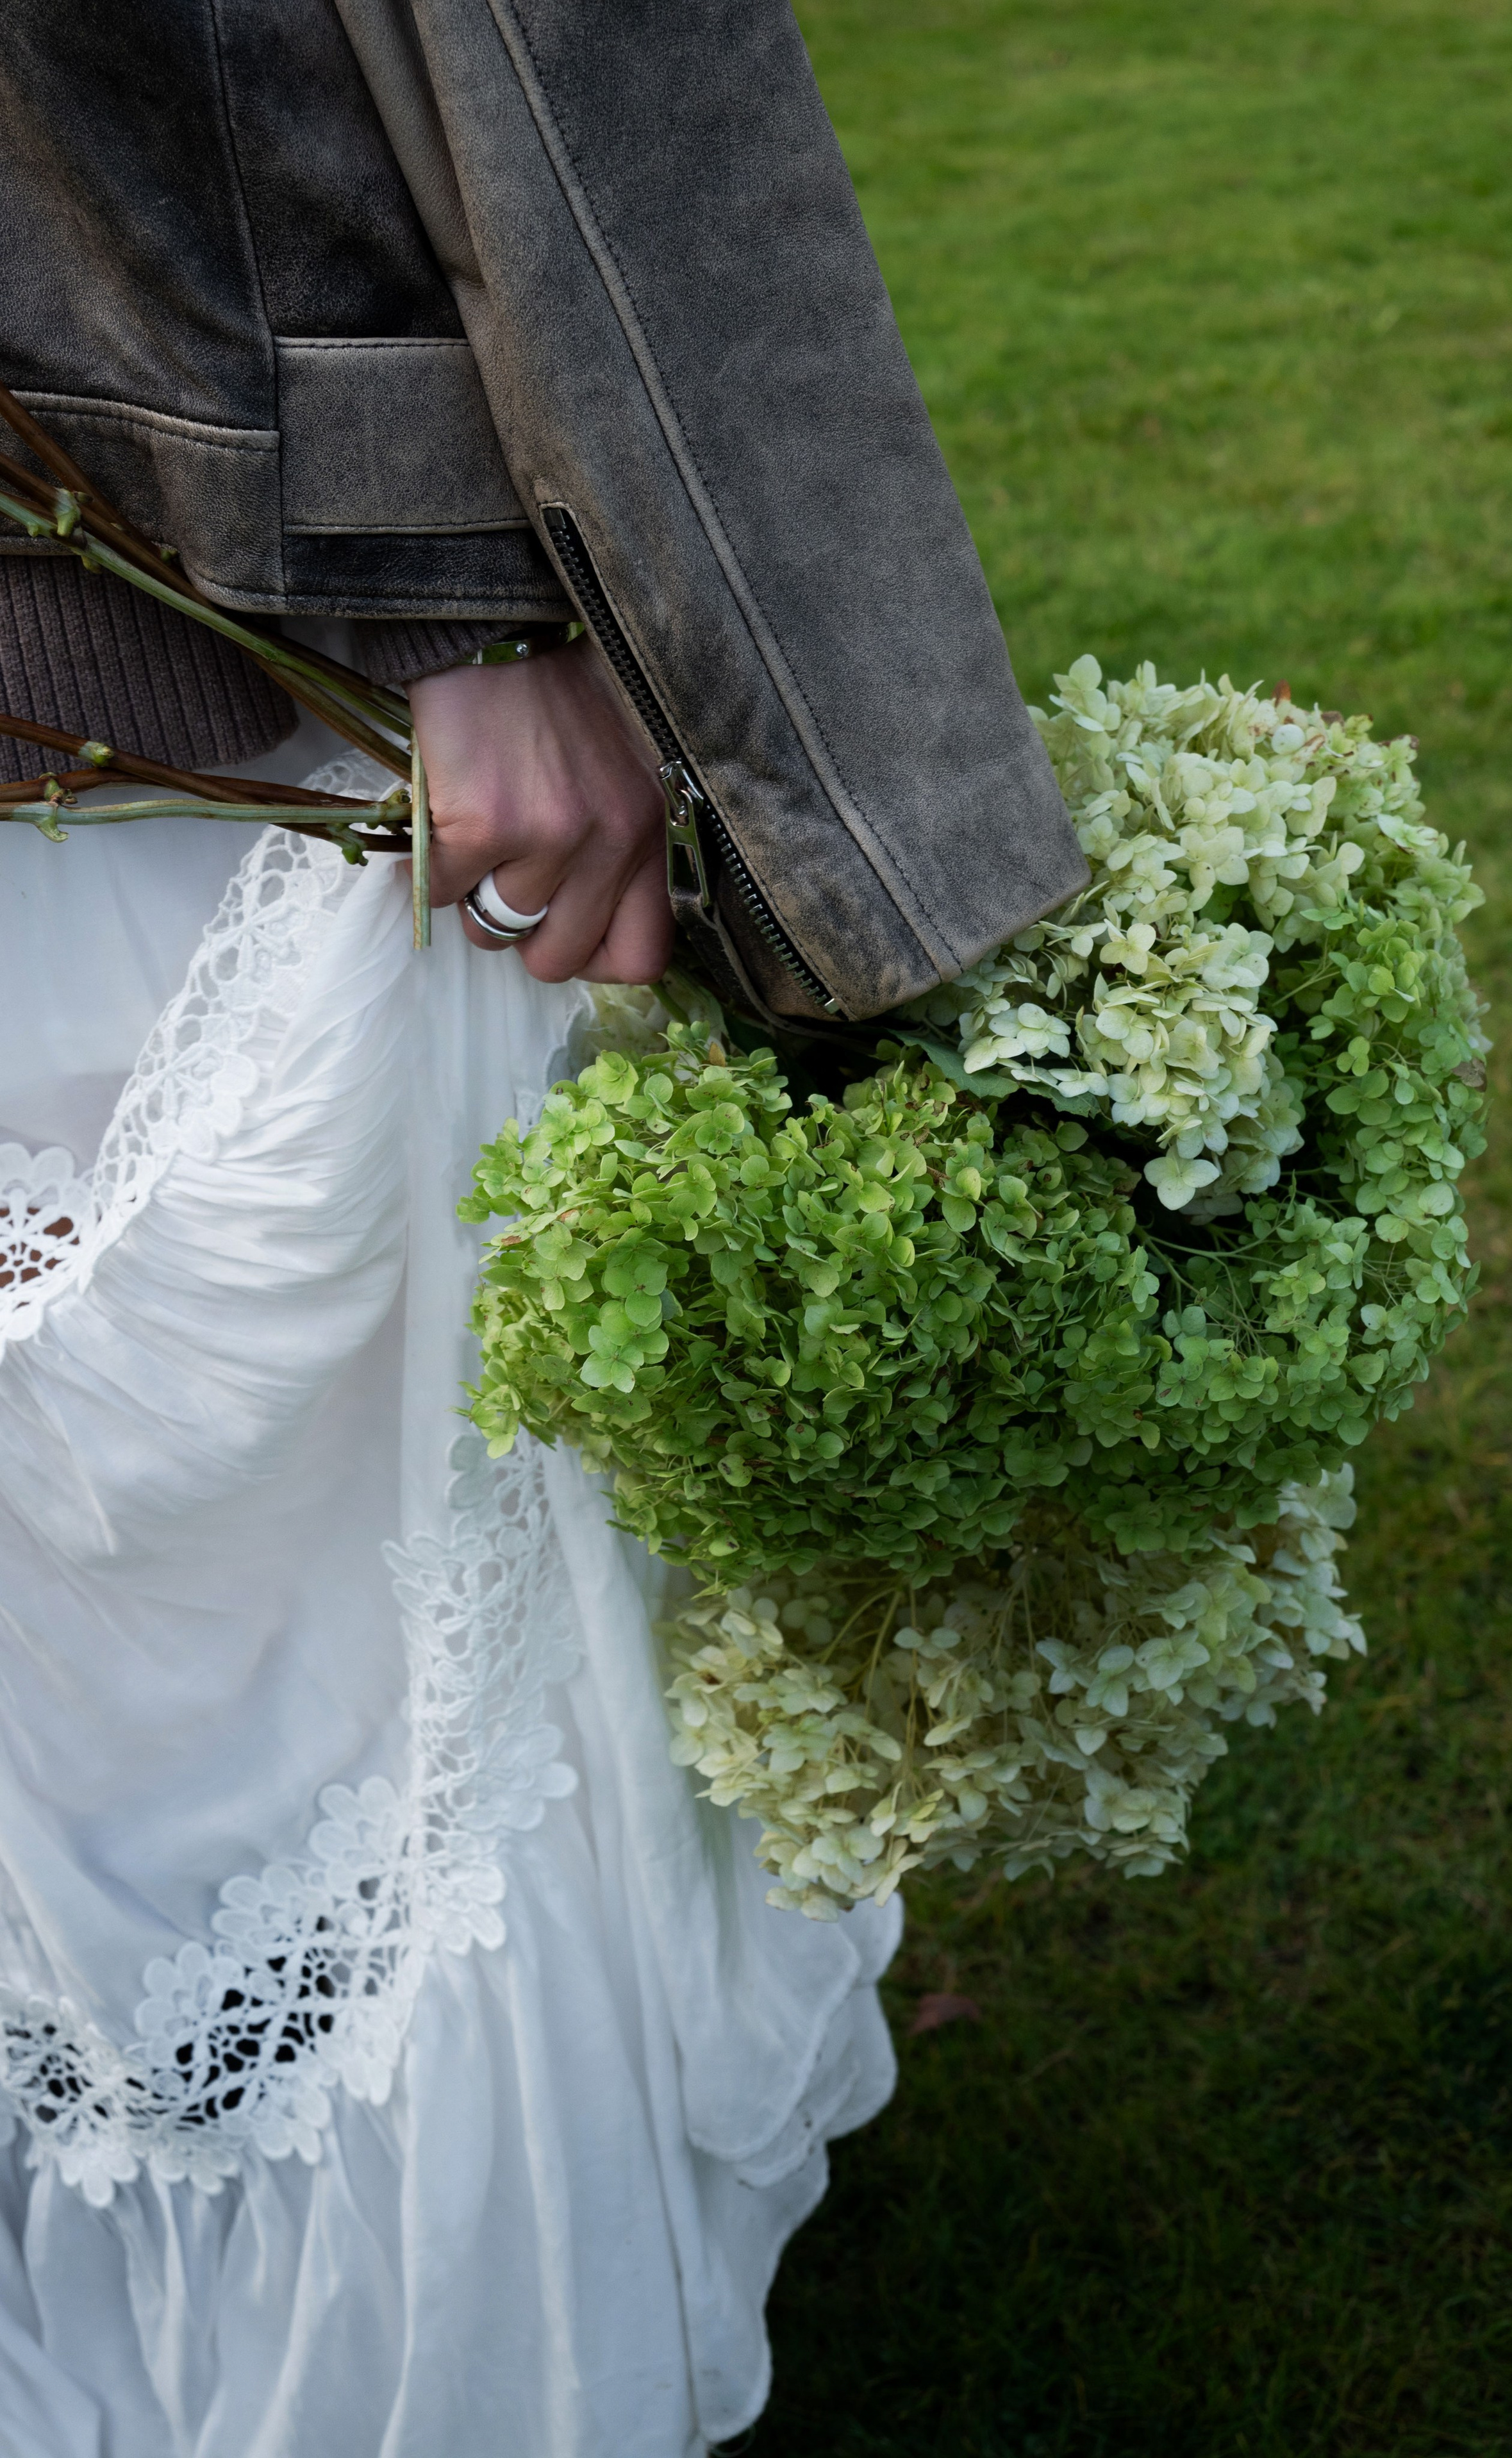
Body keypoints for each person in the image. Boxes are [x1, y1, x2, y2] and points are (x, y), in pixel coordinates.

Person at [0, 4, 1088, 2452]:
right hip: (259, 676)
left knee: (303, 1677)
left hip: (238, 689)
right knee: (179, 1703)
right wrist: (464, 593)